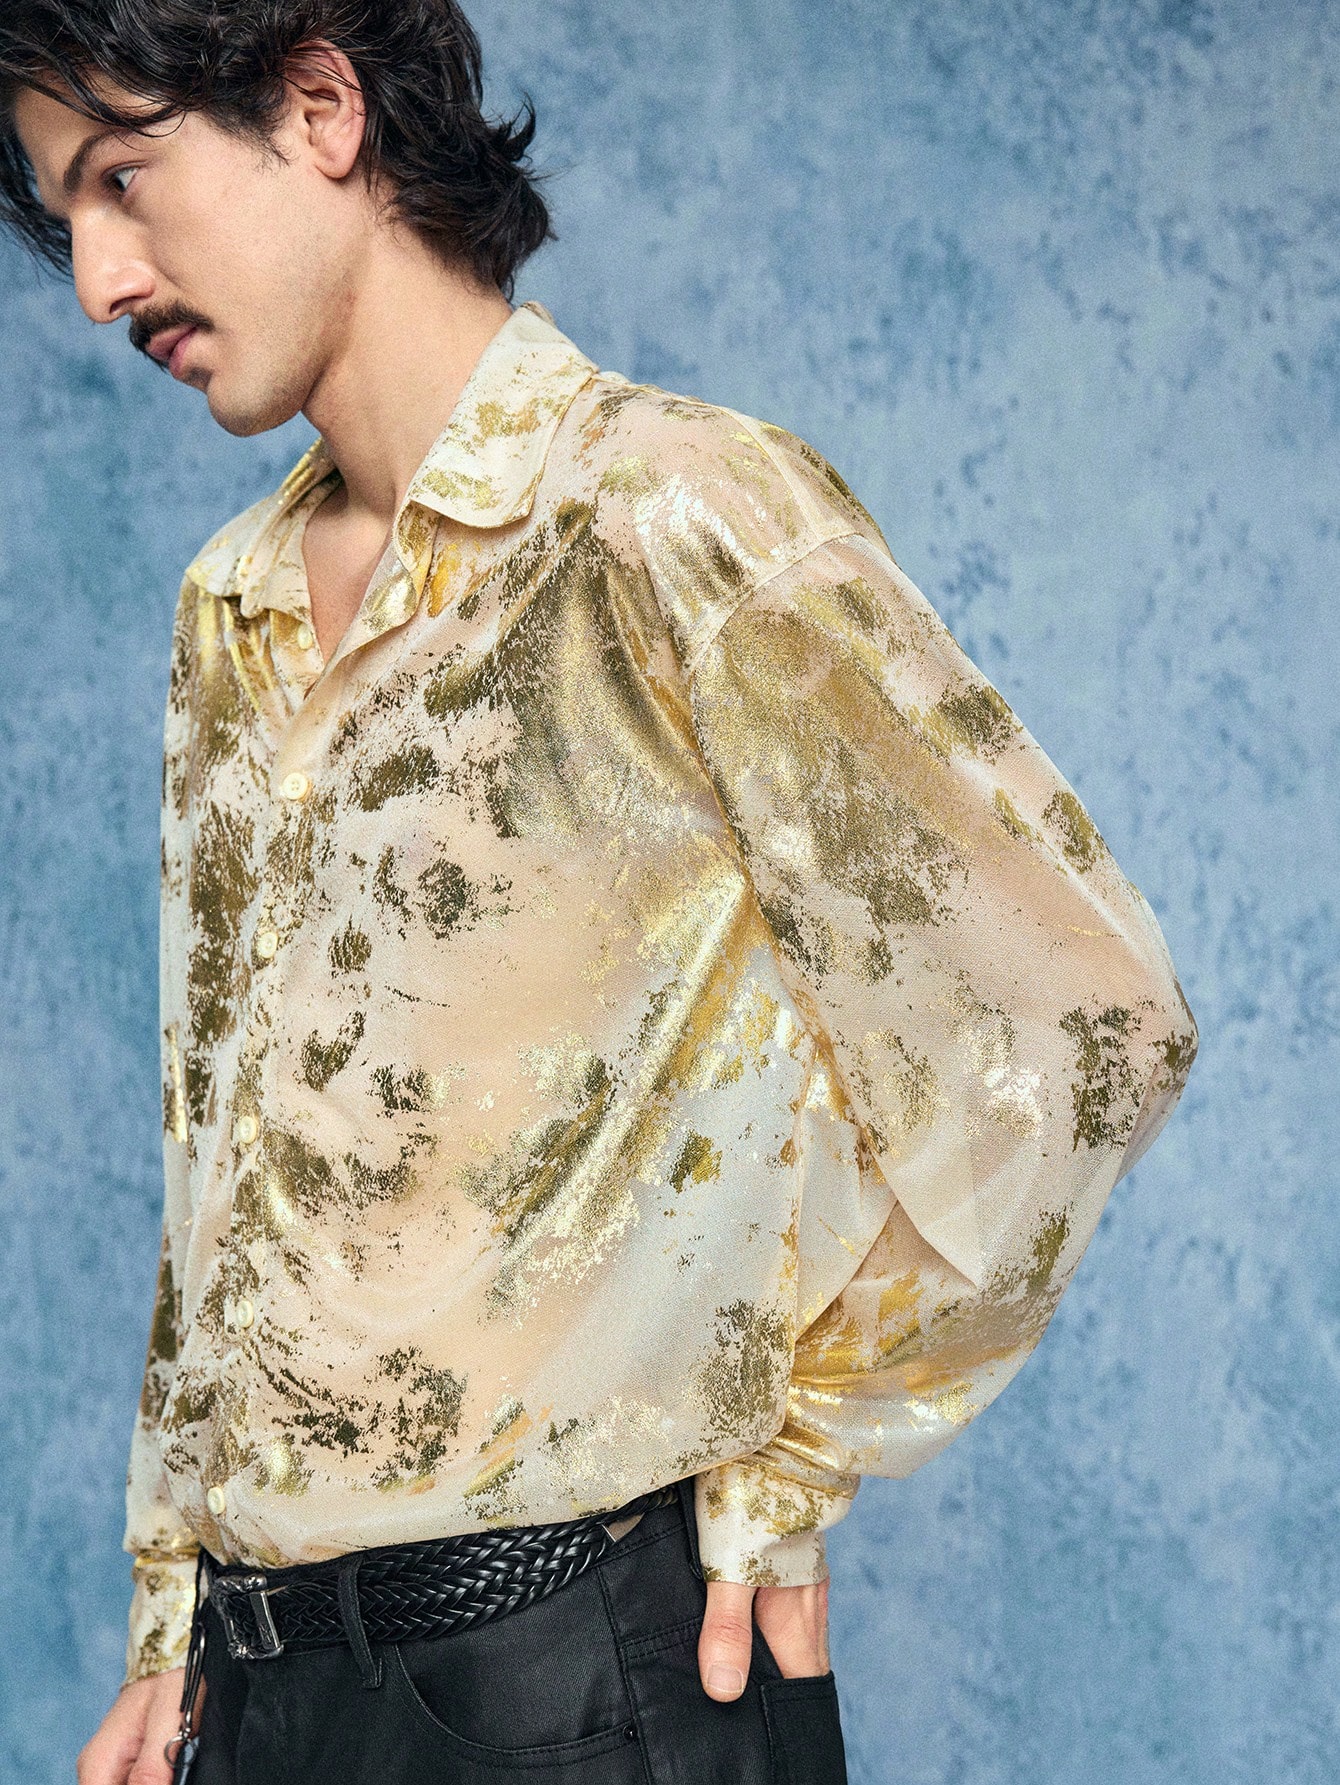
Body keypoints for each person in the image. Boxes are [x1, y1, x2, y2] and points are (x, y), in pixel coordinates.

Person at [0, 4, 1199, 1782]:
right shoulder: (225, 608)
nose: (101, 283)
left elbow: (1088, 1021)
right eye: (65, 217)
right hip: (265, 1697)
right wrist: (177, 1624)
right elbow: (218, 1154)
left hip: (576, 1678)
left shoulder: (662, 515)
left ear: (320, 106)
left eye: (122, 179)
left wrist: (796, 1453)